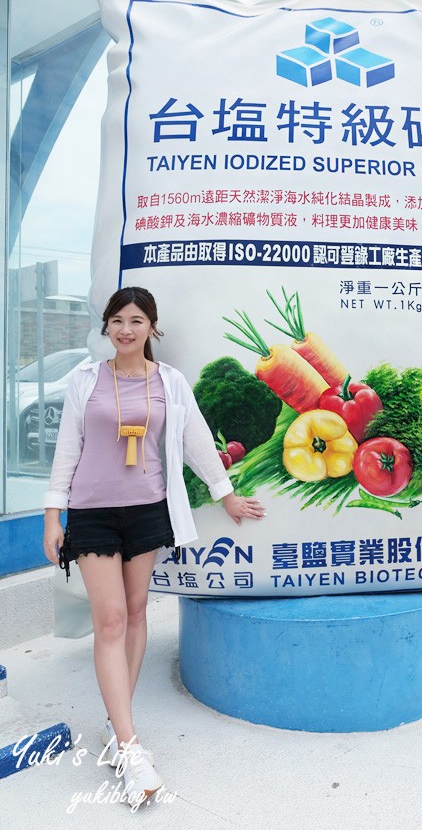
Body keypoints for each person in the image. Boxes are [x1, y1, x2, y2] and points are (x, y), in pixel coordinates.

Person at [42, 286, 264, 807]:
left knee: (138, 612)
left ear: (152, 327)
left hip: (147, 512)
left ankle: (116, 727)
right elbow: (67, 449)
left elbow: (195, 438)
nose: (125, 329)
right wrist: (54, 516)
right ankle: (130, 747)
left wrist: (224, 494)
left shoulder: (169, 382)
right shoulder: (84, 381)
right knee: (112, 619)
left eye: (136, 320)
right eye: (117, 320)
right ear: (107, 326)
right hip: (93, 515)